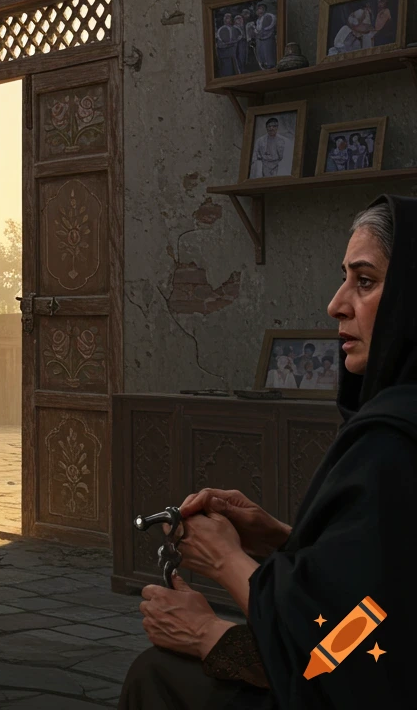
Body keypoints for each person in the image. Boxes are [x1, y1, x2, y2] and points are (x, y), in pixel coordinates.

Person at [118, 195, 417, 708]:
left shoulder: (396, 445)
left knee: (159, 676)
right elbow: (379, 585)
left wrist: (221, 579)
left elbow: (353, 647)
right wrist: (280, 539)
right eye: (345, 278)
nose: (337, 303)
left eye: (365, 282)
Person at [253, 2, 277, 69]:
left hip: (268, 37)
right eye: (258, 9)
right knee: (261, 51)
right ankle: (263, 64)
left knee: (268, 51)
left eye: (261, 9)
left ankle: (271, 64)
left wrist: (263, 31)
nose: (259, 11)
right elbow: (257, 29)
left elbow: (270, 25)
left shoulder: (268, 16)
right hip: (260, 38)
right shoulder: (258, 20)